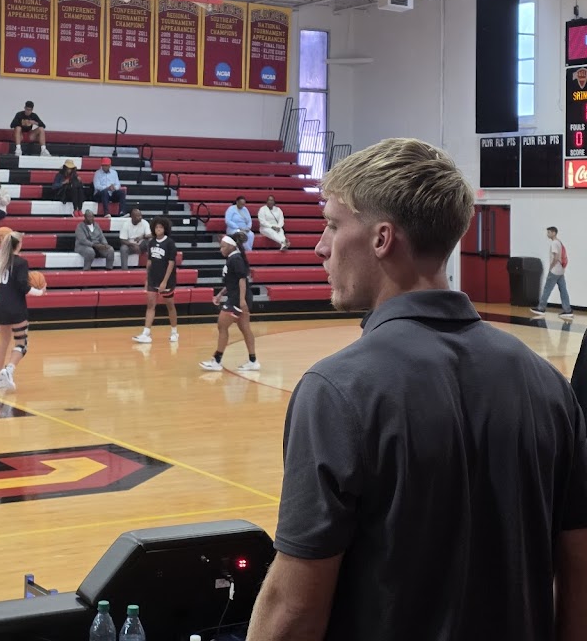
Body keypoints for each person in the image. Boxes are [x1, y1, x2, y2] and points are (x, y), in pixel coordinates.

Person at [246, 138, 587, 641]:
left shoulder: (336, 390)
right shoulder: (548, 385)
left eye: (334, 225)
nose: (320, 245)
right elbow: (579, 571)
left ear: (383, 238)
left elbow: (294, 611)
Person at [0, 230, 45, 391]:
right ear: (19, 245)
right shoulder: (21, 263)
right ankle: (9, 370)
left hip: (0, 306)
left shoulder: (0, 261)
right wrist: (40, 292)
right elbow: (23, 287)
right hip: (15, 307)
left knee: (3, 341)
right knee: (22, 343)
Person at [199, 233, 260, 372]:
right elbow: (232, 282)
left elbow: (242, 280)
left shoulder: (236, 259)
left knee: (222, 326)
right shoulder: (233, 258)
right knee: (245, 329)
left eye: (223, 246)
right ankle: (253, 360)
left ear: (231, 246)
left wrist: (242, 300)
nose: (221, 249)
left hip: (237, 300)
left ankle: (217, 360)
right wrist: (220, 294)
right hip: (237, 297)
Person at [133, 216, 178, 344]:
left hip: (166, 280)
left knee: (170, 306)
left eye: (161, 227)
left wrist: (164, 281)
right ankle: (146, 332)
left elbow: (171, 264)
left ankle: (174, 331)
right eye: (156, 227)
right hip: (153, 278)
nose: (158, 229)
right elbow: (149, 262)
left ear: (165, 229)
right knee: (150, 305)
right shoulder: (151, 242)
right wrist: (147, 278)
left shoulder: (169, 243)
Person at [530, 225, 573, 320]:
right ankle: (568, 310)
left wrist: (550, 267)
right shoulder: (559, 242)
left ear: (553, 233)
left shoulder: (554, 243)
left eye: (549, 232)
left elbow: (556, 257)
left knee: (547, 289)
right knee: (563, 290)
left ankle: (541, 308)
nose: (547, 234)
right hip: (560, 270)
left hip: (554, 271)